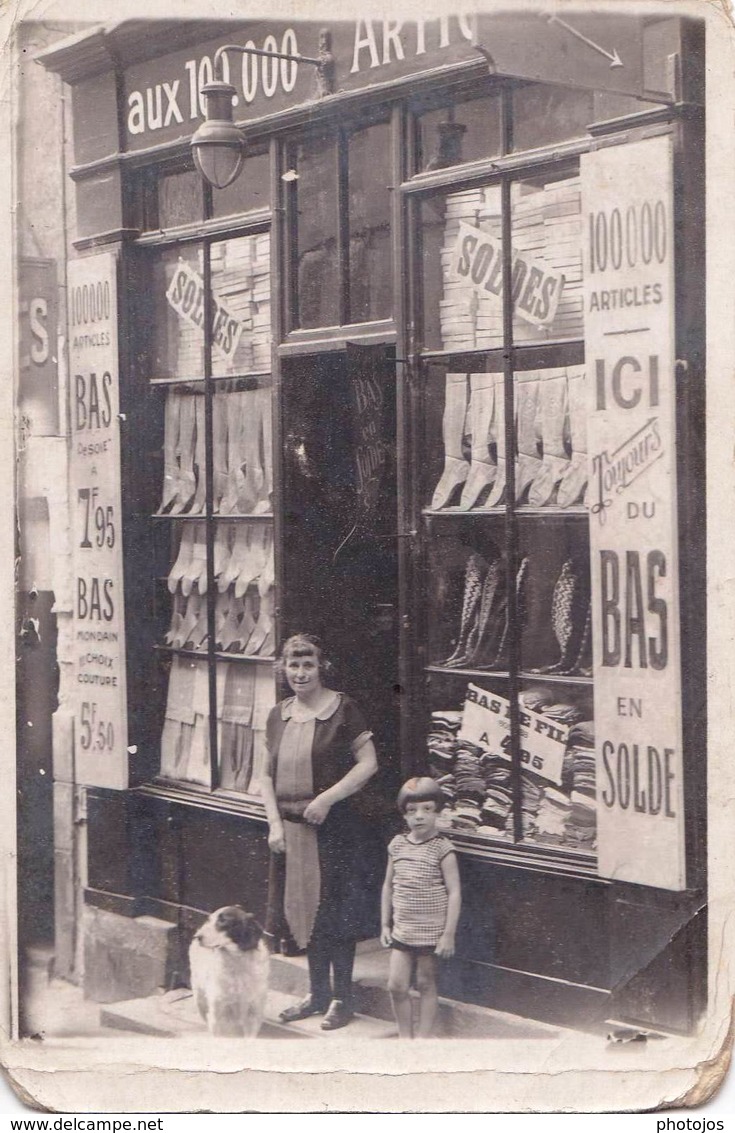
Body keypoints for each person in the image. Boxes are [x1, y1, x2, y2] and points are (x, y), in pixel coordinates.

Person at [259, 633, 379, 1031]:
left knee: (335, 914)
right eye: (293, 665)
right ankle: (316, 994)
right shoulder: (278, 715)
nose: (300, 672)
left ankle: (342, 998)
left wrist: (328, 798)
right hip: (290, 834)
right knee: (303, 912)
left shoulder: (343, 709)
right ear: (284, 669)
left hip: (333, 830)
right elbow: (264, 775)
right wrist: (274, 823)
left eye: (308, 664)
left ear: (321, 667)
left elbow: (368, 763)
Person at [381, 777, 461, 1038]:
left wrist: (448, 934)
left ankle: (423, 1040)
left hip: (431, 931)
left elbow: (455, 892)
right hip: (403, 930)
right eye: (412, 811)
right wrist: (384, 924)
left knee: (426, 983)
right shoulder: (397, 845)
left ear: (438, 812)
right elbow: (388, 886)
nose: (420, 817)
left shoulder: (443, 849)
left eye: (427, 809)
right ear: (404, 816)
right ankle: (405, 1036)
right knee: (396, 985)